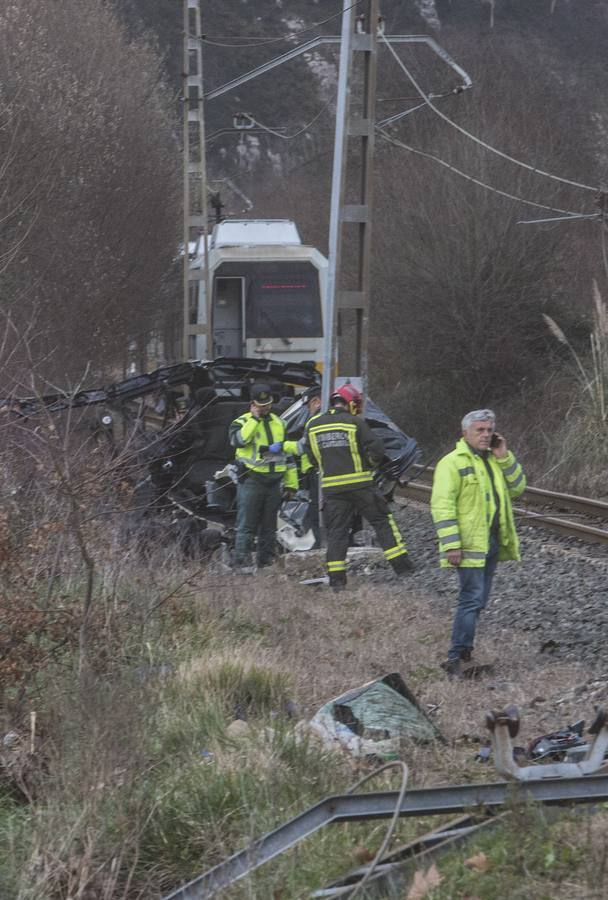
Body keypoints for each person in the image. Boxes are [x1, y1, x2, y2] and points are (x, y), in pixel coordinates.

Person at [430, 409, 526, 677]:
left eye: (488, 430)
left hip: (491, 542)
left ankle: (463, 651)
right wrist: (451, 544)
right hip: (468, 544)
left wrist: (504, 457)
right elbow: (442, 505)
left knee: (479, 599)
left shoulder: (494, 460)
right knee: (471, 599)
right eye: (479, 430)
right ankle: (457, 655)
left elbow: (518, 487)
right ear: (465, 433)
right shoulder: (451, 463)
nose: (485, 435)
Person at [302, 383, 414, 590]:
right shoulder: (354, 422)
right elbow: (377, 449)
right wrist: (369, 465)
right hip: (361, 485)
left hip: (332, 489)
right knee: (381, 521)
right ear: (350, 403)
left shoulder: (314, 425)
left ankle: (337, 581)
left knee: (336, 533)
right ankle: (402, 567)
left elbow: (310, 456)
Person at [229, 383, 298, 570]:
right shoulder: (242, 422)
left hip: (273, 483)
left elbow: (287, 456)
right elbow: (240, 440)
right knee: (246, 526)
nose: (265, 407)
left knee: (269, 529)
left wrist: (291, 485)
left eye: (267, 404)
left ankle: (265, 564)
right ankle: (241, 564)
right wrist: (254, 418)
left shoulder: (280, 423)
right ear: (253, 404)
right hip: (251, 480)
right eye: (261, 405)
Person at [283, 385, 322, 546]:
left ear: (316, 402)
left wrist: (282, 445)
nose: (308, 410)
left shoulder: (314, 421)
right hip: (319, 472)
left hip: (317, 473)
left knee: (315, 513)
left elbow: (301, 448)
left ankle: (317, 546)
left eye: (308, 406)